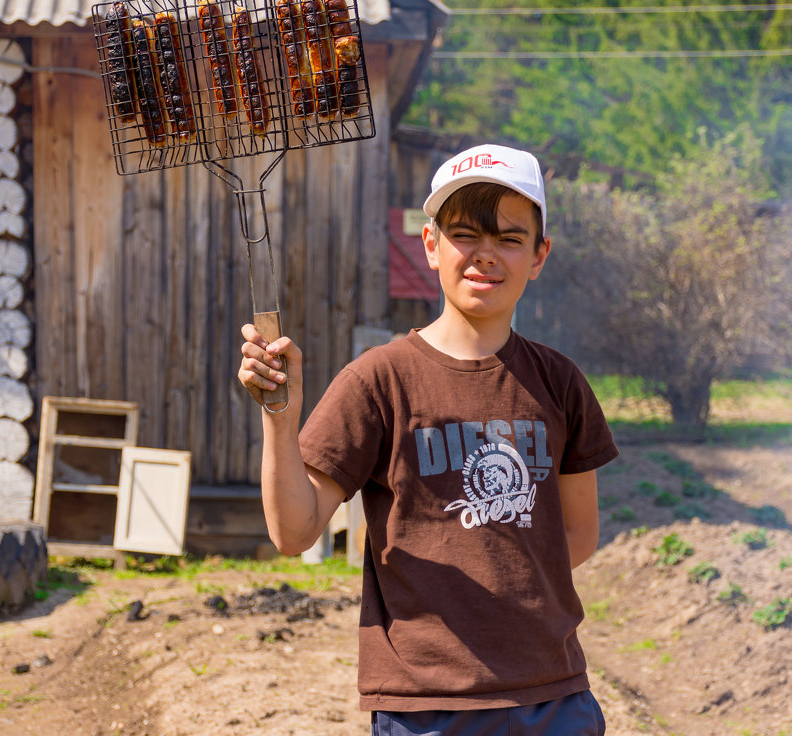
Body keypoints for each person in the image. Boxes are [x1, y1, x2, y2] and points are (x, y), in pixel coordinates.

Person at [237, 143, 619, 735]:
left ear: (539, 255)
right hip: (427, 708)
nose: (485, 256)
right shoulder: (379, 381)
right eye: (466, 234)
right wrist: (281, 422)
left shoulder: (560, 382)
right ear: (430, 244)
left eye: (510, 239)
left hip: (552, 697)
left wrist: (502, 583)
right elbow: (293, 531)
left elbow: (578, 533)